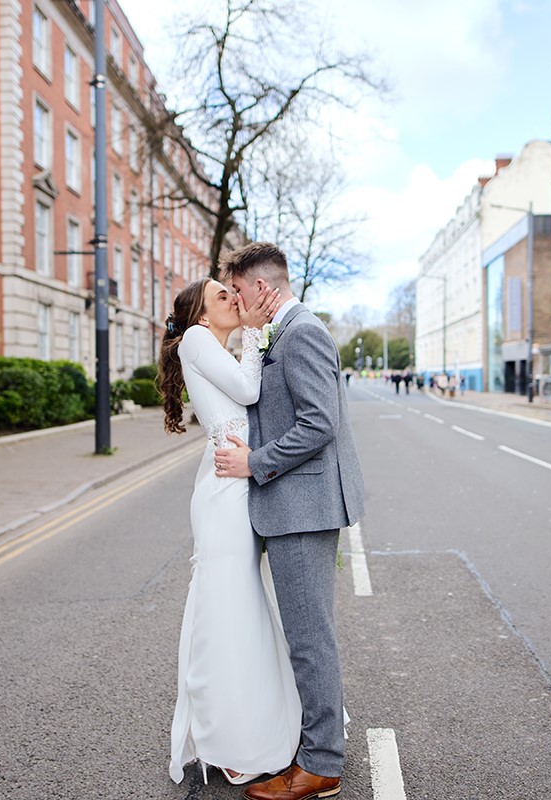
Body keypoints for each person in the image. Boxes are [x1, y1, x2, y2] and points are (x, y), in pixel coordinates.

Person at [215, 242, 365, 800]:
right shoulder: (280, 331)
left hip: (302, 507)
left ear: (260, 288)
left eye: (237, 290)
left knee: (310, 640)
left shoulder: (301, 331)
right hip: (293, 506)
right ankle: (311, 747)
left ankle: (322, 764)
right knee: (304, 636)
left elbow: (319, 422)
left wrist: (254, 463)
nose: (234, 299)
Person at [159, 278, 299, 787]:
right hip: (224, 496)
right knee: (227, 608)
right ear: (200, 315)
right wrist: (257, 337)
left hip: (235, 484)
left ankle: (248, 727)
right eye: (222, 296)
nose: (232, 300)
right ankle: (226, 739)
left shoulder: (210, 346)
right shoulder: (198, 341)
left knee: (245, 605)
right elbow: (248, 390)